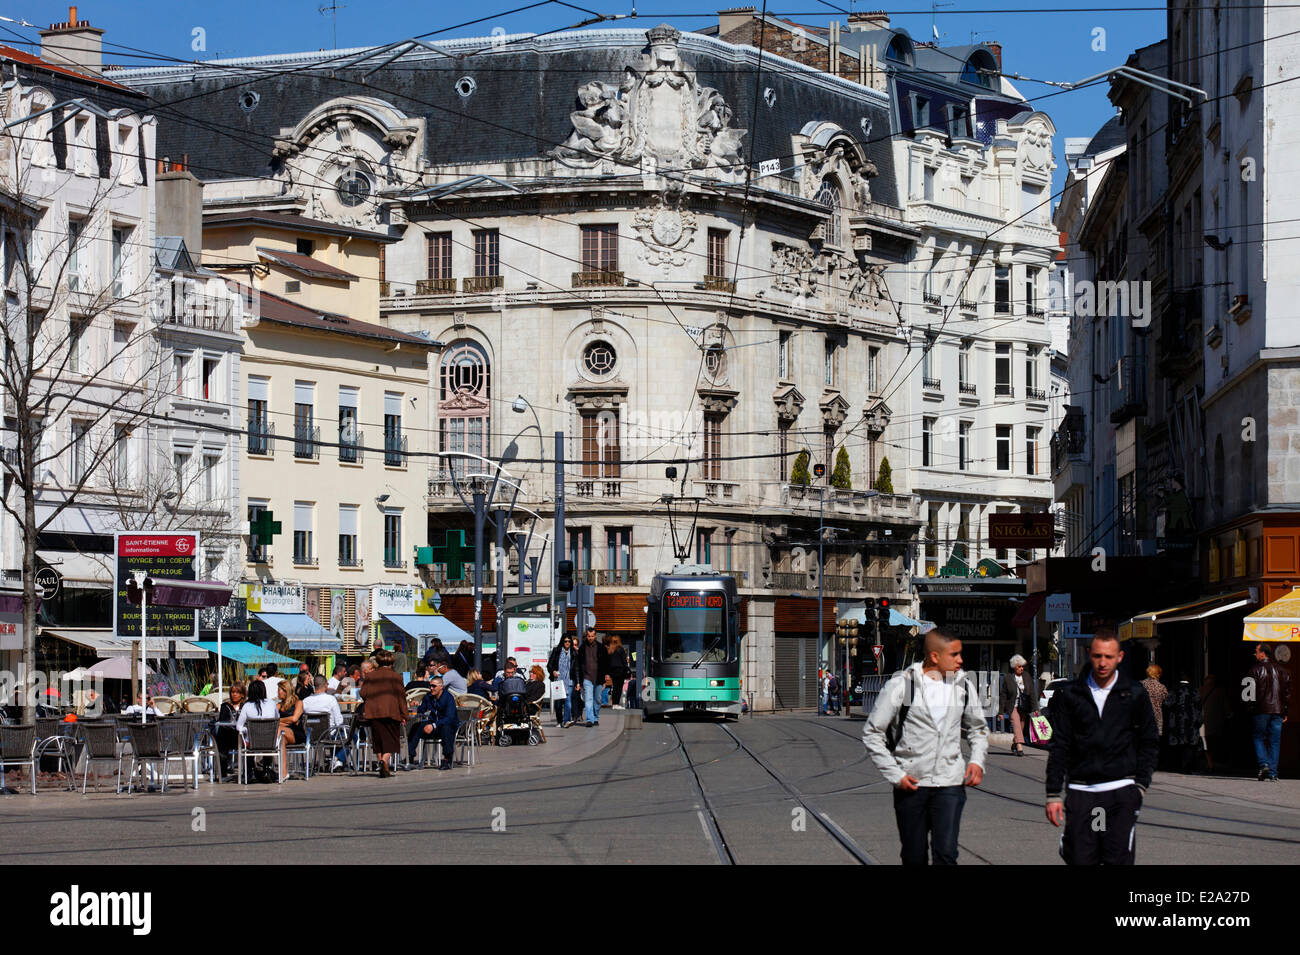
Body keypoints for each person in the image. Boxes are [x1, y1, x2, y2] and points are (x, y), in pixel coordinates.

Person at [862, 628, 987, 866]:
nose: (961, 660)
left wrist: (976, 761)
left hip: (949, 783)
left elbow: (978, 728)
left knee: (947, 854)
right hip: (912, 785)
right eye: (955, 654)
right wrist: (895, 775)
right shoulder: (905, 685)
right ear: (934, 656)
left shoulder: (962, 687)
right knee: (914, 855)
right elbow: (872, 732)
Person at [1045, 630, 1159, 865]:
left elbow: (1148, 741)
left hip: (1121, 790)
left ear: (1120, 657)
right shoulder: (1072, 694)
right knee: (1080, 858)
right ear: (1089, 655)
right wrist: (1053, 793)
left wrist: (1140, 786)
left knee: (1117, 859)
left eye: (1108, 656)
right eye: (1097, 656)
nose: (1103, 663)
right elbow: (1060, 744)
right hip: (1081, 791)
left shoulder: (1134, 693)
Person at [359, 648, 408, 778]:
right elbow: (401, 697)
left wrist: (372, 701)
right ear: (391, 663)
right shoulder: (396, 676)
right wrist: (404, 715)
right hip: (391, 712)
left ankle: (383, 766)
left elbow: (363, 693)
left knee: (378, 740)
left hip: (374, 712)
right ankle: (383, 761)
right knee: (392, 740)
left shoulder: (370, 676)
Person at [1249, 642, 1290, 781]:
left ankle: (1264, 764)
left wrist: (1250, 709)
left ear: (1263, 653)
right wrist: (1285, 711)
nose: (1255, 653)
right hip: (1278, 710)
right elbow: (1287, 693)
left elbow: (1247, 694)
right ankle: (1273, 773)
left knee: (1258, 737)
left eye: (1256, 651)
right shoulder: (1282, 670)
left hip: (1261, 710)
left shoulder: (1254, 670)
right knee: (1274, 741)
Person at [236, 679, 280, 783]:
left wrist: (247, 729)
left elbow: (238, 727)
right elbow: (277, 720)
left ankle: (250, 771)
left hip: (253, 742)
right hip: (270, 741)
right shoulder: (271, 704)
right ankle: (267, 769)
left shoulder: (247, 706)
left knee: (246, 742)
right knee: (267, 741)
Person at [411, 676, 458, 770]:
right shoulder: (428, 696)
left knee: (446, 728)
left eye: (433, 686)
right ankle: (410, 756)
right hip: (433, 725)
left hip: (447, 726)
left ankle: (447, 759)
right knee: (416, 726)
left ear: (441, 687)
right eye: (430, 686)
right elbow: (422, 710)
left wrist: (434, 725)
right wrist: (416, 706)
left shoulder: (448, 698)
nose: (431, 688)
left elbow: (449, 718)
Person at [998, 654, 1040, 756]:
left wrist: (1035, 708)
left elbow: (1032, 694)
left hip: (1024, 706)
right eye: (1019, 666)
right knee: (1016, 723)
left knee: (1021, 727)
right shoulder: (1008, 678)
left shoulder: (1026, 676)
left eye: (1022, 666)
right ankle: (1020, 747)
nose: (1021, 668)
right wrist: (1001, 711)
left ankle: (1014, 744)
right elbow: (1003, 695)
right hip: (1012, 706)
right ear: (1014, 667)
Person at [1164, 677, 1203, 774]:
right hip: (1191, 721)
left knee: (1177, 745)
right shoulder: (1194, 690)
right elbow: (1199, 705)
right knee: (1190, 745)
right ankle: (1188, 766)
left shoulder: (1174, 690)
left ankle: (1179, 766)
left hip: (1176, 722)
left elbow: (1167, 704)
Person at [577, 625, 609, 727]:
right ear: (586, 636)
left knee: (597, 699)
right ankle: (590, 719)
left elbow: (606, 662)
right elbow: (578, 663)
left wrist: (606, 675)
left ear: (595, 636)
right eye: (588, 636)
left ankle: (595, 717)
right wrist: (579, 679)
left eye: (592, 636)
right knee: (588, 699)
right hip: (587, 677)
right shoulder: (582, 648)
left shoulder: (601, 647)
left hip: (599, 677)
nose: (590, 638)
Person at [1199, 673, 1230, 772]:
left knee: (1206, 743)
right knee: (1216, 741)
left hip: (1203, 721)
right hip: (1217, 720)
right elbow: (1225, 705)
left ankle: (1210, 763)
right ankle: (1217, 761)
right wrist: (1229, 713)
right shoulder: (1220, 691)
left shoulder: (1201, 690)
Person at [216, 682, 246, 780]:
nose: (234, 694)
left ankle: (248, 772)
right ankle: (222, 773)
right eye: (233, 692)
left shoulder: (246, 706)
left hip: (242, 736)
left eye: (237, 692)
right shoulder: (225, 706)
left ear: (242, 694)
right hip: (228, 736)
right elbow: (222, 721)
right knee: (222, 737)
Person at [548, 634, 578, 727]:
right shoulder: (556, 651)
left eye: (569, 641)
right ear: (562, 641)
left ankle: (566, 721)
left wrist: (578, 682)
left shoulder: (573, 652)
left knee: (568, 701)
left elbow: (577, 668)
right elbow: (550, 664)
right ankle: (559, 721)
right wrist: (553, 671)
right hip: (558, 680)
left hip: (569, 680)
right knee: (558, 703)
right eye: (565, 641)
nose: (567, 643)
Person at [1141, 663, 1168, 741]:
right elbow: (1166, 702)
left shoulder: (1141, 685)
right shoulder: (1162, 687)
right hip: (1157, 718)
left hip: (1143, 717)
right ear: (1158, 674)